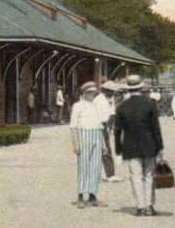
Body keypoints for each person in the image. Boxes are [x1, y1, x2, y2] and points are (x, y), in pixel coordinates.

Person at [114, 75, 164, 217]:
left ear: (128, 89)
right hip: (149, 144)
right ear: (141, 88)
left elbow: (117, 131)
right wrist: (160, 146)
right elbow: (156, 128)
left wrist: (118, 150)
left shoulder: (122, 107)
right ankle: (149, 206)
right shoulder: (150, 104)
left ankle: (140, 207)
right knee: (149, 175)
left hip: (131, 146)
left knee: (136, 176)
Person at [69, 82, 107, 209]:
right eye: (90, 92)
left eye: (94, 93)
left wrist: (103, 144)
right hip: (83, 135)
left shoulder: (96, 106)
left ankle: (92, 196)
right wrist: (75, 143)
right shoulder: (77, 106)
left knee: (96, 167)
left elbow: (100, 125)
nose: (92, 95)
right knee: (83, 166)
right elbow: (73, 126)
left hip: (97, 135)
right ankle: (80, 196)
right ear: (84, 93)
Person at [94, 81, 120, 182]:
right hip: (99, 126)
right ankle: (110, 174)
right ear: (107, 91)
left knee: (101, 150)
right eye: (112, 92)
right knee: (106, 150)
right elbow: (102, 117)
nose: (113, 94)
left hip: (100, 126)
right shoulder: (101, 101)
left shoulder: (103, 99)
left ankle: (108, 173)